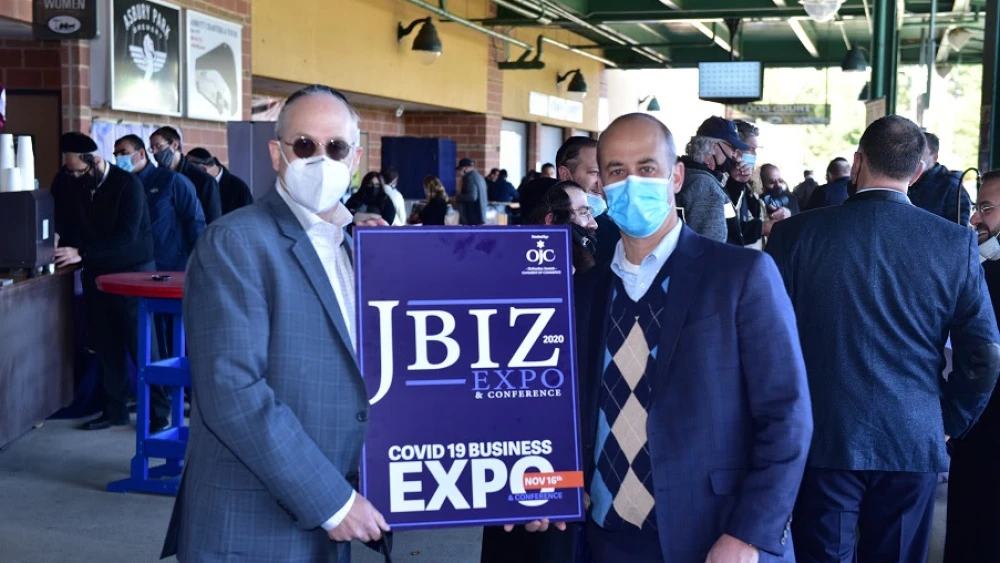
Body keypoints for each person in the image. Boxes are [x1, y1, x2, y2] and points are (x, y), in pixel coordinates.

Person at [161, 85, 392, 562]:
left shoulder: (356, 248)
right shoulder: (234, 241)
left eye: (336, 148)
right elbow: (232, 390)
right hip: (253, 527)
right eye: (304, 145)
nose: (321, 159)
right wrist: (333, 501)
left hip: (335, 519)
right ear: (276, 153)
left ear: (355, 159)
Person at [571, 113, 812, 562]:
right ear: (600, 184)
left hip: (717, 541)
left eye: (647, 168)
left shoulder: (741, 275)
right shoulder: (586, 292)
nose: (632, 183)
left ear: (676, 177)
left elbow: (787, 414)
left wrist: (749, 534)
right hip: (607, 539)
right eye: (617, 171)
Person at [765, 115, 1000, 563]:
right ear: (917, 172)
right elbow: (984, 354)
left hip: (823, 436)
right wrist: (950, 420)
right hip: (913, 436)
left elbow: (767, 342)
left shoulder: (795, 235)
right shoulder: (954, 244)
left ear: (857, 163)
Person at [479, 180, 600, 563]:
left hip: (566, 463)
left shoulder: (588, 286)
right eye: (584, 212)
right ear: (551, 221)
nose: (593, 224)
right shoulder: (506, 291)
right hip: (517, 459)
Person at [51, 132, 170, 432]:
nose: (74, 177)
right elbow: (65, 220)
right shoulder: (72, 182)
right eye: (69, 171)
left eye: (78, 171)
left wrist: (82, 252)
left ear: (94, 161)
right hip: (97, 273)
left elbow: (126, 235)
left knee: (142, 345)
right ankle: (114, 410)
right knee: (106, 345)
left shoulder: (127, 185)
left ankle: (159, 413)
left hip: (133, 273)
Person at [944, 168, 1000, 563]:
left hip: (982, 428)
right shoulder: (982, 266)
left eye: (987, 208)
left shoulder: (985, 273)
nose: (975, 217)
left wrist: (953, 418)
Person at [115, 135, 205, 272]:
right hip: (134, 264)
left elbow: (195, 221)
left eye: (124, 153)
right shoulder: (123, 186)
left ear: (141, 153)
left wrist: (199, 261)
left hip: (170, 264)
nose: (119, 158)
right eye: (116, 155)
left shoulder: (171, 180)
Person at [676, 116, 749, 243]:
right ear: (714, 146)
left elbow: (724, 216)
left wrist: (735, 184)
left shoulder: (693, 175)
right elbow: (712, 244)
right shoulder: (703, 183)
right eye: (733, 149)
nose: (736, 156)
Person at [556, 136, 619, 265]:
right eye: (595, 173)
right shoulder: (541, 229)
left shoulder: (615, 232)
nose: (603, 182)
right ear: (565, 174)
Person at [149, 126, 223, 224]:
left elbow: (213, 221)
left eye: (158, 146)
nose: (155, 152)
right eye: (152, 148)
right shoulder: (157, 178)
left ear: (174, 145)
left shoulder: (203, 181)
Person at [908, 132, 972, 225]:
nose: (914, 156)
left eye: (920, 151)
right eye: (911, 150)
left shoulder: (951, 186)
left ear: (934, 157)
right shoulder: (904, 178)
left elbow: (960, 228)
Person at [186, 147, 253, 216]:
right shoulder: (193, 186)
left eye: (190, 171)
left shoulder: (240, 189)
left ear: (203, 169)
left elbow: (249, 218)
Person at [454, 157, 487, 225]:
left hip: (472, 216)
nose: (459, 172)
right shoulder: (479, 177)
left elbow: (472, 196)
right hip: (480, 215)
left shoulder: (470, 178)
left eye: (460, 169)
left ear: (465, 168)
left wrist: (457, 198)